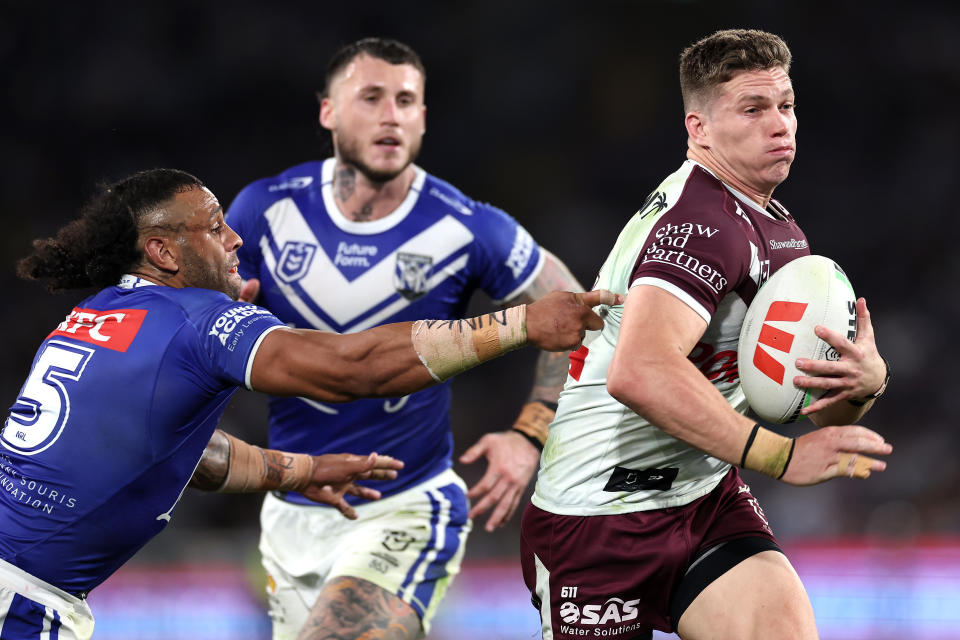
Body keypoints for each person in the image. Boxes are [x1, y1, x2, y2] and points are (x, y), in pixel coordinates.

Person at [0, 168, 615, 639]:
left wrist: (303, 469)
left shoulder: (99, 313)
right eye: (215, 227)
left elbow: (193, 452)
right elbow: (357, 367)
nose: (235, 236)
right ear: (163, 251)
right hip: (24, 599)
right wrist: (520, 324)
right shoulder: (201, 321)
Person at [521, 29, 894, 640]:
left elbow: (815, 409)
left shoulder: (776, 228)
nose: (780, 125)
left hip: (703, 497)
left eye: (786, 105)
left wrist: (866, 382)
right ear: (699, 129)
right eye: (753, 109)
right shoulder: (703, 222)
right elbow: (638, 373)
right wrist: (783, 456)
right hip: (597, 517)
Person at [225, 37, 584, 639]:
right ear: (328, 112)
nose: (392, 114)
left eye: (407, 101)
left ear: (423, 118)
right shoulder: (264, 210)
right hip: (291, 511)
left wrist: (531, 431)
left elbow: (578, 319)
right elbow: (193, 323)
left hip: (406, 508)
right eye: (371, 97)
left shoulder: (468, 227)